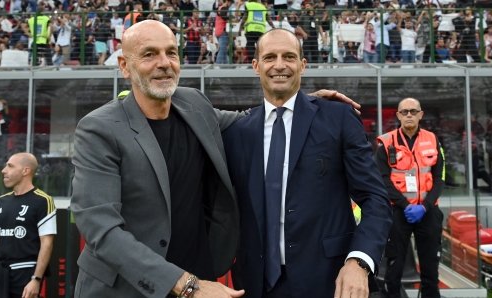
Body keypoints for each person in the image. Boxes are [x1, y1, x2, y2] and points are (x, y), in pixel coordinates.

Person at [71, 20, 359, 298]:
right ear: (124, 66)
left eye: (171, 52)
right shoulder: (99, 128)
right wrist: (187, 285)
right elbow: (102, 229)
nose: (164, 62)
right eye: (149, 54)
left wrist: (303, 103)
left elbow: (252, 121)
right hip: (129, 289)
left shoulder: (193, 104)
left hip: (198, 277)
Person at [222, 28, 392, 298]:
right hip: (256, 284)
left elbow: (375, 198)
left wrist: (359, 262)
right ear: (255, 66)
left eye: (289, 57)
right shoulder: (236, 132)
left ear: (302, 65)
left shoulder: (338, 117)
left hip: (329, 281)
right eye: (270, 57)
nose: (279, 65)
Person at [376, 98, 445, 298]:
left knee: (430, 266)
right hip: (398, 211)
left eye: (413, 111)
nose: (408, 115)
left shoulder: (433, 139)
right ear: (397, 115)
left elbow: (440, 177)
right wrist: (406, 205)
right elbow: (381, 179)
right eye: (404, 112)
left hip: (428, 211)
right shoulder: (386, 142)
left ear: (421, 115)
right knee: (394, 266)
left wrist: (425, 206)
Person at [0, 153, 56, 298]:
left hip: (25, 274)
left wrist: (36, 279)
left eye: (10, 166)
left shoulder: (43, 200)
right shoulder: (1, 201)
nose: (3, 170)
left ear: (25, 171)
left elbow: (47, 243)